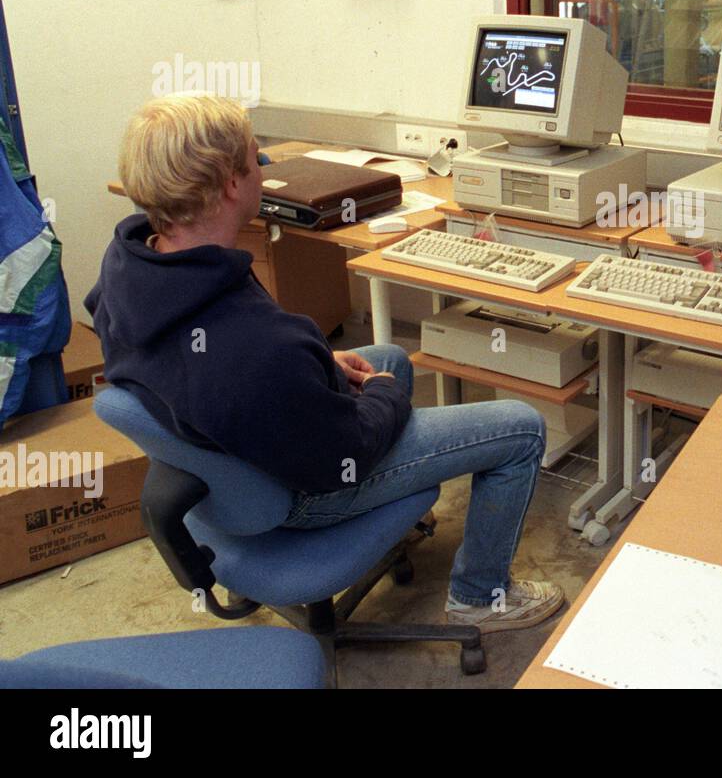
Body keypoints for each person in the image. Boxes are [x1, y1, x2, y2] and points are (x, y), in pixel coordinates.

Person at [86, 93, 563, 632]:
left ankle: (398, 521)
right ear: (229, 184)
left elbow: (235, 372)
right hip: (302, 491)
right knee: (520, 428)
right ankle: (481, 595)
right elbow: (347, 452)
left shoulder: (132, 262)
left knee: (386, 356)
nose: (265, 169)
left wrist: (315, 364)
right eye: (255, 157)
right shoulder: (253, 346)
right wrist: (381, 392)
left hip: (226, 468)